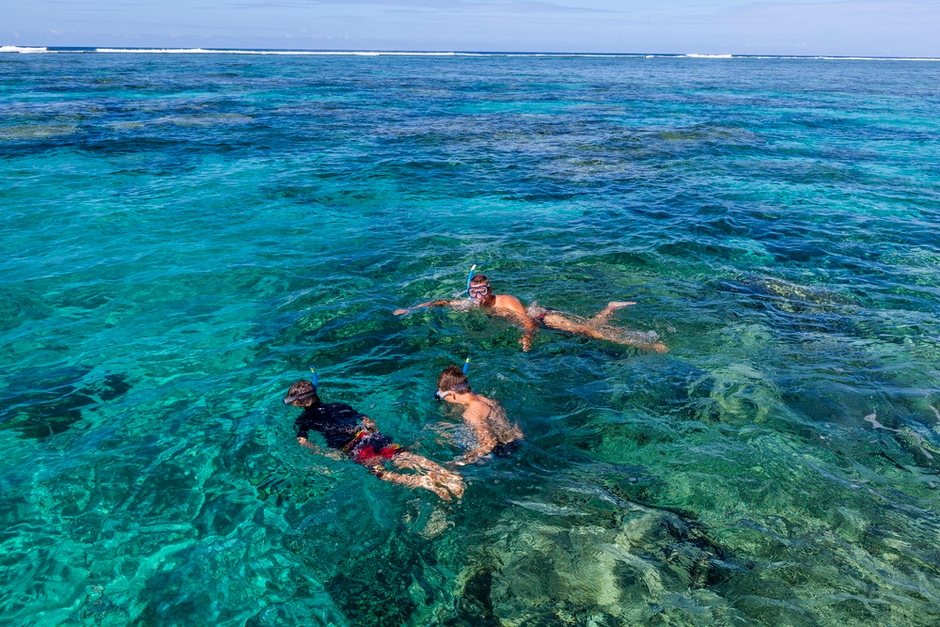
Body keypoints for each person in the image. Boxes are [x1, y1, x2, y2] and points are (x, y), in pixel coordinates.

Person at [283, 379, 465, 500]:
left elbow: (304, 443)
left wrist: (327, 454)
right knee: (402, 457)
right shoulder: (339, 405)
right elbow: (366, 420)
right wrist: (374, 431)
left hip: (353, 447)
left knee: (381, 473)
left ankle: (427, 484)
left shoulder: (303, 420)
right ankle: (448, 476)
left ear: (298, 403)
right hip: (368, 436)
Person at [394, 273, 668, 353]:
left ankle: (648, 344)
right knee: (587, 330)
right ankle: (609, 309)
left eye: (482, 291)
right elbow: (441, 302)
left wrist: (527, 339)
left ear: (490, 289)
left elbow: (527, 322)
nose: (478, 297)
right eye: (473, 292)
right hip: (533, 322)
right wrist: (412, 308)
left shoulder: (507, 302)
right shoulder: (472, 302)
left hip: (542, 318)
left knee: (591, 333)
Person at [435, 365, 524, 465]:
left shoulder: (471, 413)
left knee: (441, 434)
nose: (444, 399)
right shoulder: (481, 398)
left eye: (443, 396)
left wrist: (462, 460)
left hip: (502, 450)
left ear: (452, 394)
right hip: (516, 437)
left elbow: (489, 444)